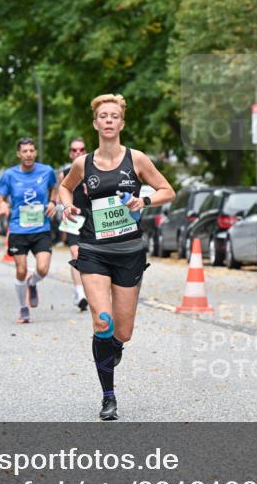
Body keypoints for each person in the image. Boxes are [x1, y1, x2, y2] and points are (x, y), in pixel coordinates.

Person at [60, 94, 175, 420]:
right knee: (102, 321)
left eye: (114, 116)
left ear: (121, 123)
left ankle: (115, 346)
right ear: (96, 123)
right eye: (103, 116)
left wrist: (145, 201)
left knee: (122, 332)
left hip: (129, 252)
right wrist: (66, 204)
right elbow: (65, 187)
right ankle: (108, 397)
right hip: (94, 249)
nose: (109, 121)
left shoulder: (137, 159)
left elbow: (168, 190)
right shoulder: (84, 163)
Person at [0, 138, 58, 324]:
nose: (29, 154)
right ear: (19, 154)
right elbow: (1, 198)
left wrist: (53, 202)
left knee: (42, 269)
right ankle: (23, 308)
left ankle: (33, 283)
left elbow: (54, 188)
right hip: (18, 228)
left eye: (32, 150)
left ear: (36, 152)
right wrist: (2, 206)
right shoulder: (9, 175)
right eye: (25, 151)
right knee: (21, 270)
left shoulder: (47, 171)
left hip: (41, 227)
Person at [57, 137, 89, 310]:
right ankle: (80, 293)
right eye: (74, 150)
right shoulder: (65, 173)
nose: (78, 152)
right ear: (70, 153)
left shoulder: (95, 170)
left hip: (93, 218)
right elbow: (59, 196)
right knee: (75, 253)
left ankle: (89, 290)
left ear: (85, 152)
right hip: (74, 218)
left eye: (81, 150)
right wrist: (64, 206)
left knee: (92, 257)